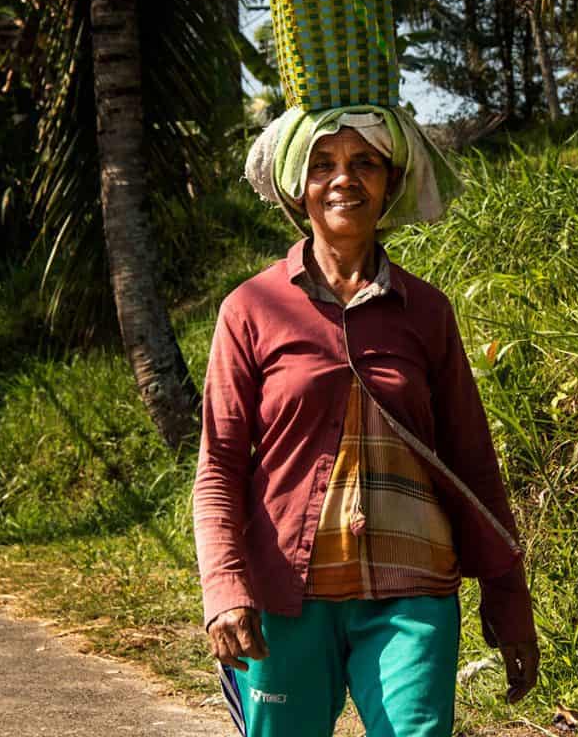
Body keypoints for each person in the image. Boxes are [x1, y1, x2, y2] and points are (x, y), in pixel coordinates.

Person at [194, 105, 540, 737]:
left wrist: (508, 600)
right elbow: (217, 469)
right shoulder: (250, 309)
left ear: (390, 181)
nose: (343, 180)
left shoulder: (427, 311)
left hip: (414, 592)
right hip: (285, 597)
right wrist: (224, 588)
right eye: (322, 164)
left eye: (364, 164)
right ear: (299, 186)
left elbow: (473, 463)